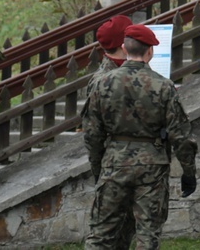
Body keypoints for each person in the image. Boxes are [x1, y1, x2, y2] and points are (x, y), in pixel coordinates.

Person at [84, 24, 197, 250]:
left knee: (101, 233)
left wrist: (98, 168)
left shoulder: (102, 83)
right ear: (150, 51)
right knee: (148, 235)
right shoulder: (164, 86)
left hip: (114, 163)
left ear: (125, 49)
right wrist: (188, 172)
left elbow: (92, 134)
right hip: (152, 167)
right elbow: (181, 136)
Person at [80, 14, 134, 248]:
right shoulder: (102, 80)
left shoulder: (138, 73)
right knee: (104, 236)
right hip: (113, 168)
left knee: (127, 232)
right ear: (124, 43)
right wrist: (99, 171)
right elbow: (92, 134)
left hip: (138, 169)